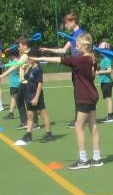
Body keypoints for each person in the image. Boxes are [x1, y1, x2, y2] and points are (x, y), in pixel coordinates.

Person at [38, 33, 103, 169]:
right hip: (92, 95)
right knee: (93, 126)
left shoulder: (79, 60)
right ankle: (97, 158)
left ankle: (83, 160)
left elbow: (58, 60)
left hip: (84, 97)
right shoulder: (92, 59)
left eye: (77, 44)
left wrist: (40, 58)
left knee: (78, 127)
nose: (75, 46)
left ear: (84, 46)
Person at [21, 49, 52, 144]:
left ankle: (48, 134)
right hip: (29, 95)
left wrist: (36, 98)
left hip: (36, 96)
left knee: (43, 114)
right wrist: (24, 68)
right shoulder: (31, 68)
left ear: (35, 58)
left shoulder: (38, 69)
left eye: (30, 57)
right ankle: (29, 135)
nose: (28, 59)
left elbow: (40, 84)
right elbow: (24, 78)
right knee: (29, 116)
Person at [0, 40, 29, 127]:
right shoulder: (18, 59)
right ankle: (22, 117)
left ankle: (14, 114)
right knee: (19, 99)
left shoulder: (16, 61)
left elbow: (15, 66)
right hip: (19, 82)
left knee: (17, 99)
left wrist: (4, 67)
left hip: (16, 83)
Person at [96, 37, 113, 122]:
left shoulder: (107, 59)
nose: (100, 52)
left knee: (108, 98)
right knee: (106, 99)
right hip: (104, 81)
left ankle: (111, 116)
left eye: (101, 50)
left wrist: (99, 72)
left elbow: (109, 70)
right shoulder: (104, 59)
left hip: (107, 82)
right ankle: (110, 114)